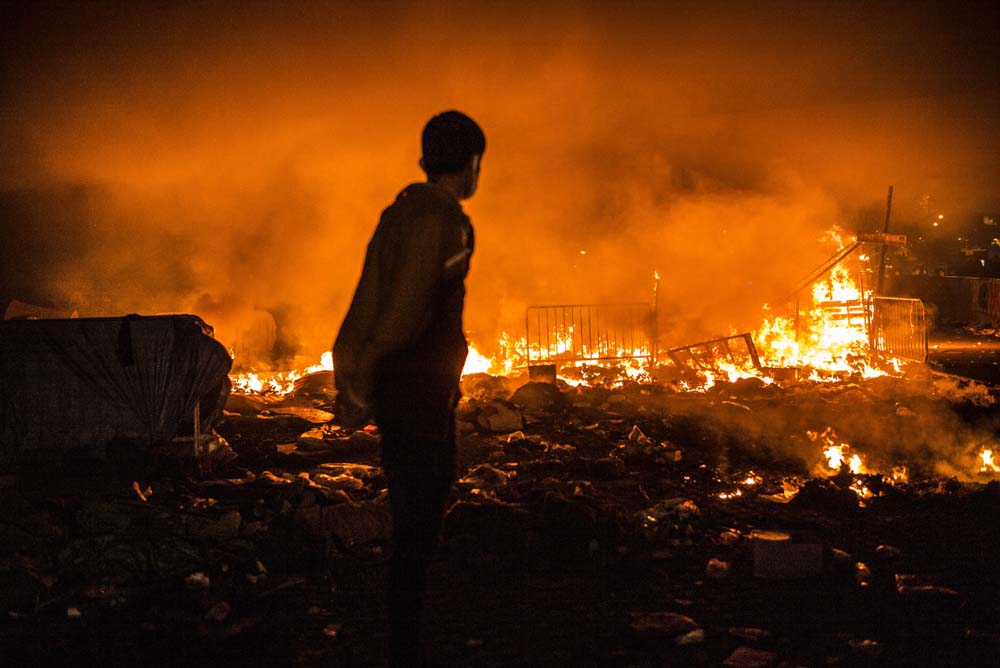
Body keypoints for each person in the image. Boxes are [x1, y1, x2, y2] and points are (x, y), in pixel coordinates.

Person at [332, 110, 485, 667]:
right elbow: (403, 311)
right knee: (420, 522)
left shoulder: (397, 213)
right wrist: (366, 375)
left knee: (408, 512)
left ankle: (405, 635)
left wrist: (348, 374)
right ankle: (406, 646)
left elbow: (366, 298)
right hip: (419, 394)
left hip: (401, 392)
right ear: (470, 165)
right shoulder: (444, 220)